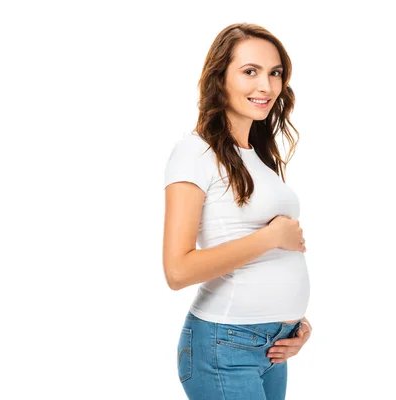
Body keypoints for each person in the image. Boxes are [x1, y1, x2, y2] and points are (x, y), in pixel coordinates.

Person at [162, 23, 313, 399]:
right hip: (224, 348)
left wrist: (291, 323)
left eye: (274, 73)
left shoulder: (257, 156)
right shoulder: (195, 152)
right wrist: (269, 238)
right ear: (220, 78)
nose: (266, 85)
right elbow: (178, 271)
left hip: (272, 347)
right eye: (250, 72)